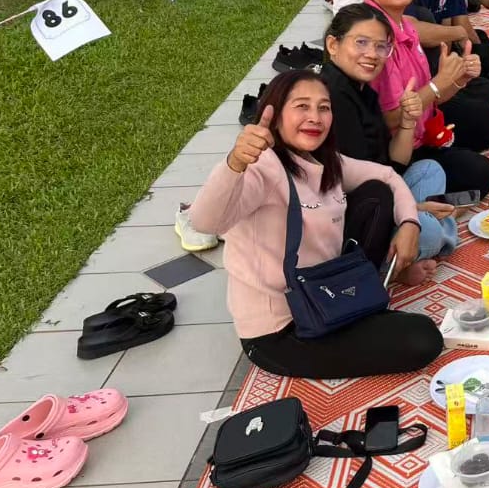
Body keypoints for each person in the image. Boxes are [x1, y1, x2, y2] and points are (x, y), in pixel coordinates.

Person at [189, 70, 443, 379]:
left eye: (324, 107)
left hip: (326, 294)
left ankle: (373, 287)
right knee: (423, 338)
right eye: (302, 106)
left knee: (377, 194)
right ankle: (368, 304)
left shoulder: (323, 160)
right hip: (283, 330)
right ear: (275, 114)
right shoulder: (261, 168)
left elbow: (387, 176)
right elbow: (204, 222)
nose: (315, 117)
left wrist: (410, 224)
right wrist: (235, 163)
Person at [322, 5, 459, 274]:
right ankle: (389, 267)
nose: (372, 54)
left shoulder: (362, 89)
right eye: (361, 43)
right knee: (428, 231)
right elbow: (354, 191)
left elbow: (394, 164)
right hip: (352, 216)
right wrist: (412, 211)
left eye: (381, 46)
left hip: (383, 193)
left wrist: (407, 122)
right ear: (333, 45)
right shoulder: (332, 97)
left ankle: (411, 246)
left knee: (429, 170)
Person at [356, 0, 489, 184]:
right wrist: (437, 83)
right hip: (393, 155)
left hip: (424, 131)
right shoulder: (375, 39)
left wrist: (459, 79)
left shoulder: (404, 24)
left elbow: (431, 98)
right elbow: (389, 119)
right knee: (480, 172)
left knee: (486, 127)